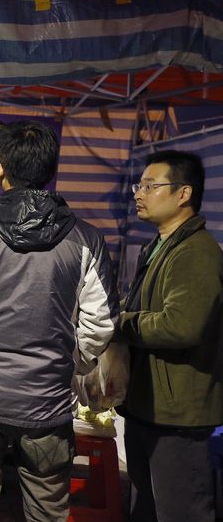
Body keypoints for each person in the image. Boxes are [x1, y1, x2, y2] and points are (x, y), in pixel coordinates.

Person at [0, 120, 118, 521]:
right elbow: (100, 323)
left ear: (0, 168)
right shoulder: (87, 240)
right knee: (46, 514)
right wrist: (72, 366)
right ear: (51, 170)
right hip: (48, 406)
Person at [116, 150, 223, 522]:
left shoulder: (197, 252)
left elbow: (181, 325)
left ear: (183, 194)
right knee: (146, 507)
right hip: (150, 406)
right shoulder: (160, 244)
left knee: (181, 512)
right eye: (139, 185)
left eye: (150, 185)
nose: (139, 193)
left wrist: (120, 322)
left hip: (178, 414)